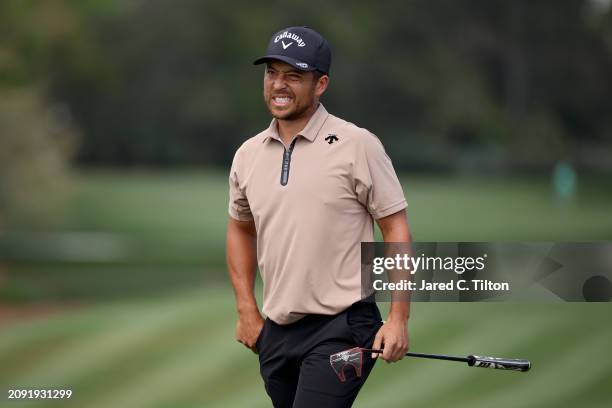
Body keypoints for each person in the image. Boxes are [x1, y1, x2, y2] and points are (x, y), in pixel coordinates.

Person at [226, 26, 412, 407]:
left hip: (343, 326)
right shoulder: (247, 155)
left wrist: (398, 318)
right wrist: (247, 308)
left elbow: (394, 226)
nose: (279, 84)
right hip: (277, 332)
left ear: (321, 83)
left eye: (293, 75)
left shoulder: (356, 144)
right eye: (272, 72)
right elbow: (240, 230)